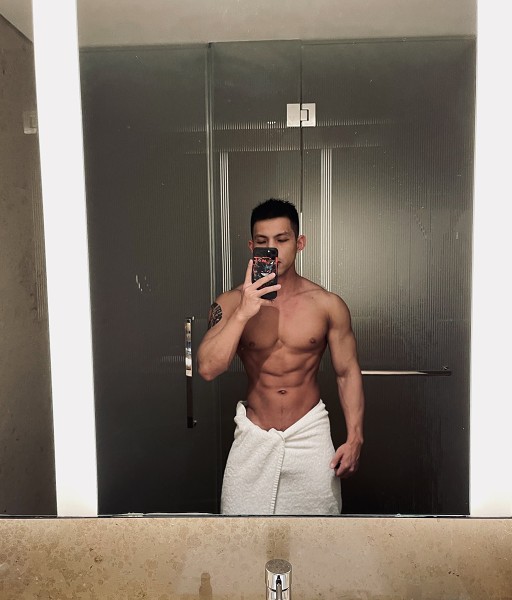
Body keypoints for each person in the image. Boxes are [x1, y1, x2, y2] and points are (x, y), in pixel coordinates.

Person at [197, 199, 364, 515]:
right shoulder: (231, 303)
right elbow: (207, 368)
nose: (272, 250)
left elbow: (346, 372)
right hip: (254, 437)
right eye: (263, 242)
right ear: (252, 247)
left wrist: (355, 438)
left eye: (282, 240)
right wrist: (244, 312)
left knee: (318, 535)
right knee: (240, 535)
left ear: (300, 243)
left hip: (310, 435)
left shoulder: (327, 304)